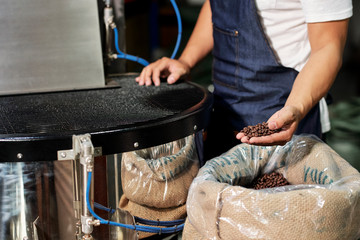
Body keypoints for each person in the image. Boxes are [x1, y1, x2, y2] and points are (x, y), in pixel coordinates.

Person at [135, 0, 352, 160]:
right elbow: (216, 6)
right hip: (223, 112)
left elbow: (328, 48)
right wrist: (185, 60)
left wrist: (296, 107)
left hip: (284, 113)